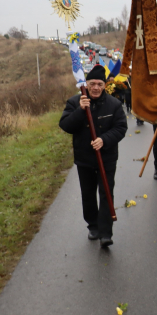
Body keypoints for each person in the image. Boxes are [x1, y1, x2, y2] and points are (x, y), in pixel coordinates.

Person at [59, 65, 128, 248]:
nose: (96, 88)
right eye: (92, 84)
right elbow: (66, 125)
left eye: (99, 84)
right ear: (86, 84)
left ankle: (106, 233)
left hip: (107, 158)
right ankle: (93, 226)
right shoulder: (74, 102)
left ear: (105, 85)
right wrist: (80, 110)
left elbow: (121, 128)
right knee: (88, 194)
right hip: (85, 159)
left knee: (106, 193)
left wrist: (104, 140)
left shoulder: (113, 104)